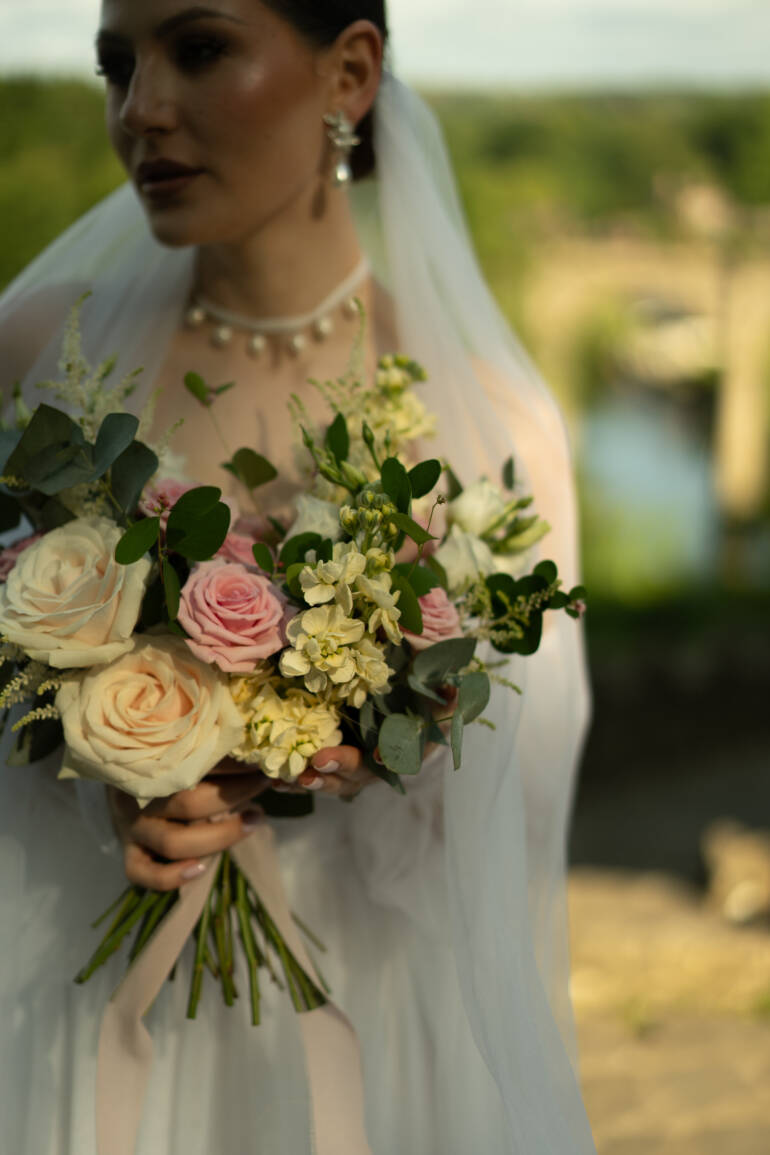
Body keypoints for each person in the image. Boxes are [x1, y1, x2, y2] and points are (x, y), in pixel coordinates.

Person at [0, 2, 597, 1152]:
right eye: (116, 67)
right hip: (74, 977)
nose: (141, 111)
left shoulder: (488, 418)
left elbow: (521, 792)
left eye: (201, 49)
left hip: (367, 1003)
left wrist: (365, 747)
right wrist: (104, 763)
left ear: (351, 72)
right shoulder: (33, 363)